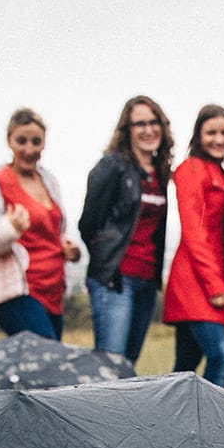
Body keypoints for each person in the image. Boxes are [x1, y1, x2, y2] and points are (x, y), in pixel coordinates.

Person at [0, 108, 82, 340]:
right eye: (21, 141)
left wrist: (72, 249)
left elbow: (57, 229)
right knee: (47, 359)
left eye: (36, 142)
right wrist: (10, 230)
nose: (29, 149)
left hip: (53, 290)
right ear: (9, 141)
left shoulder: (49, 181)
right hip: (18, 291)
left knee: (47, 366)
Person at [79, 95, 173, 363]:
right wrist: (106, 264)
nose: (148, 130)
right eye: (139, 124)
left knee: (128, 367)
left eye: (153, 122)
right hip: (116, 281)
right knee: (111, 366)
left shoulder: (159, 172)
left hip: (146, 281)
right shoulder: (112, 166)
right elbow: (88, 224)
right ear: (127, 130)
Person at [163, 105, 224, 386]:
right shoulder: (191, 169)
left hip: (213, 276)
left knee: (185, 365)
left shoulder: (221, 174)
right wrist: (215, 285)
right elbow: (194, 231)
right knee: (220, 354)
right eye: (211, 133)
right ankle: (213, 425)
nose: (219, 139)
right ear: (198, 135)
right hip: (195, 280)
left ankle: (166, 422)